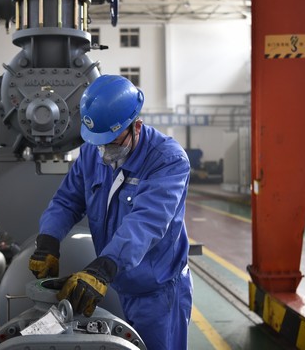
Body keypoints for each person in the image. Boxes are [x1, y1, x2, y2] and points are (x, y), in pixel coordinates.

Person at [29, 74, 193, 350]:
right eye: (99, 142)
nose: (105, 153)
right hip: (121, 284)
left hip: (159, 293)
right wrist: (48, 240)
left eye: (112, 143)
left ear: (136, 126)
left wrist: (103, 268)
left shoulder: (167, 160)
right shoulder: (91, 153)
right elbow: (67, 201)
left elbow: (146, 223)